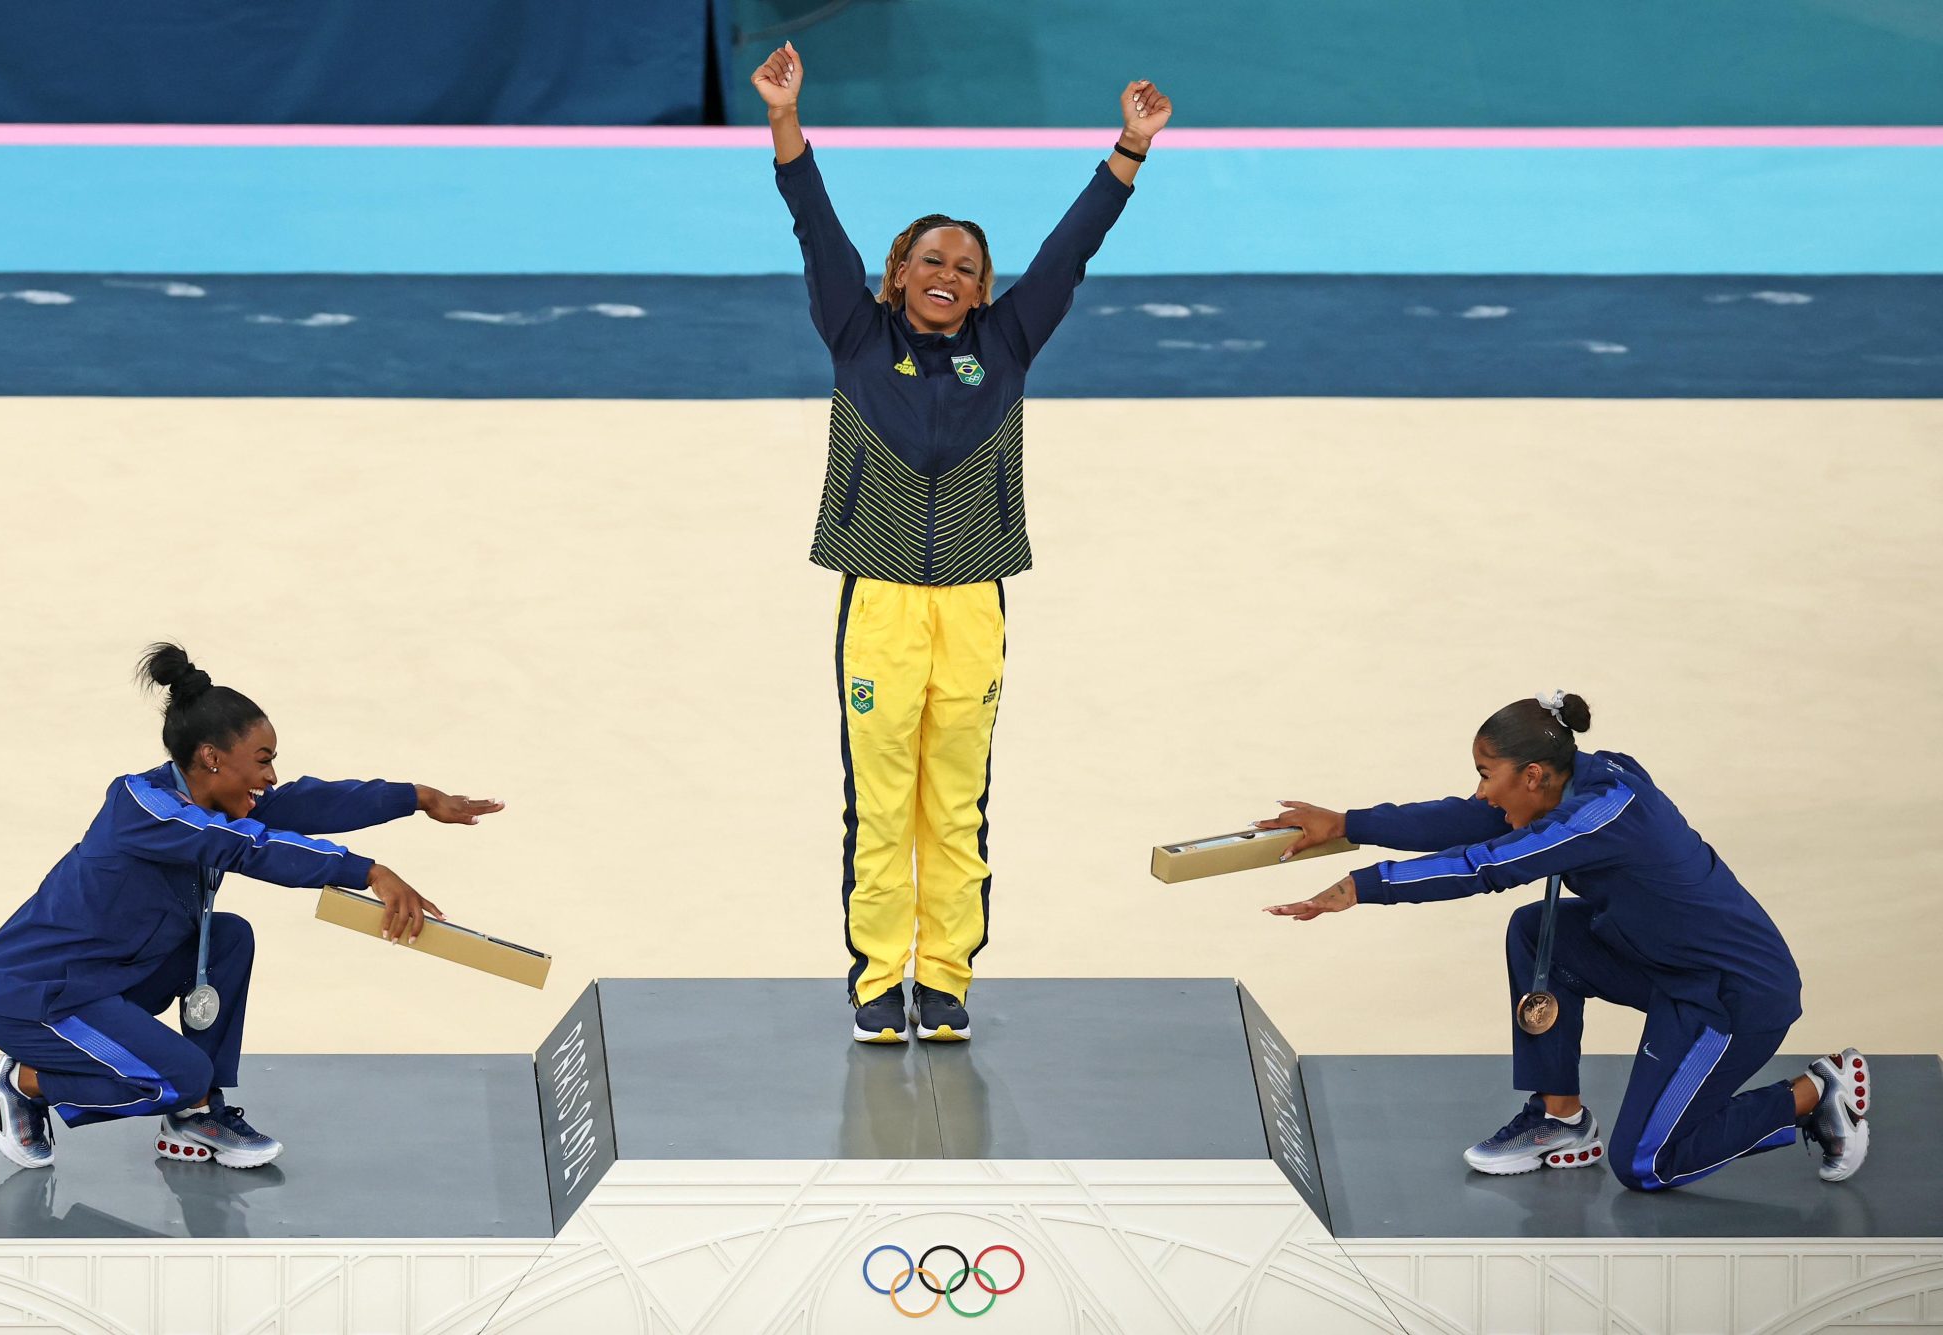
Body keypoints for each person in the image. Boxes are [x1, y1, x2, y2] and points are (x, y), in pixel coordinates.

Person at [750, 41, 1172, 1044]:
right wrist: (784, 123)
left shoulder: (1007, 344)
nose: (947, 274)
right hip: (881, 606)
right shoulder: (855, 336)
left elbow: (1069, 251)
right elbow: (815, 230)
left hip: (974, 601)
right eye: (929, 260)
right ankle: (871, 982)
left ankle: (941, 981)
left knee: (956, 803)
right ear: (894, 276)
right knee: (881, 800)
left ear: (983, 294)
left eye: (965, 268)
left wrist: (1127, 149)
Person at [1256, 691, 1870, 1188]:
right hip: (1662, 966)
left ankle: (1815, 1093)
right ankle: (1560, 1119)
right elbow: (1470, 819)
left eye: (1485, 775)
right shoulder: (1567, 783)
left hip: (1731, 997)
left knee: (1645, 1164)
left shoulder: (1603, 813)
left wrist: (1364, 887)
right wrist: (1348, 823)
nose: (1480, 790)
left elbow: (1484, 865)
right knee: (1535, 931)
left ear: (1530, 775)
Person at [0, 643, 502, 1171]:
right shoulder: (141, 806)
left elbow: (308, 801)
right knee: (179, 1076)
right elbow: (245, 847)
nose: (270, 777)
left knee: (228, 937)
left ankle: (196, 1116)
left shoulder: (215, 797)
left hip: (107, 978)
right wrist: (370, 873)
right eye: (263, 761)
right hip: (37, 994)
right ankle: (21, 1080)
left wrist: (418, 797)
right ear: (211, 758)